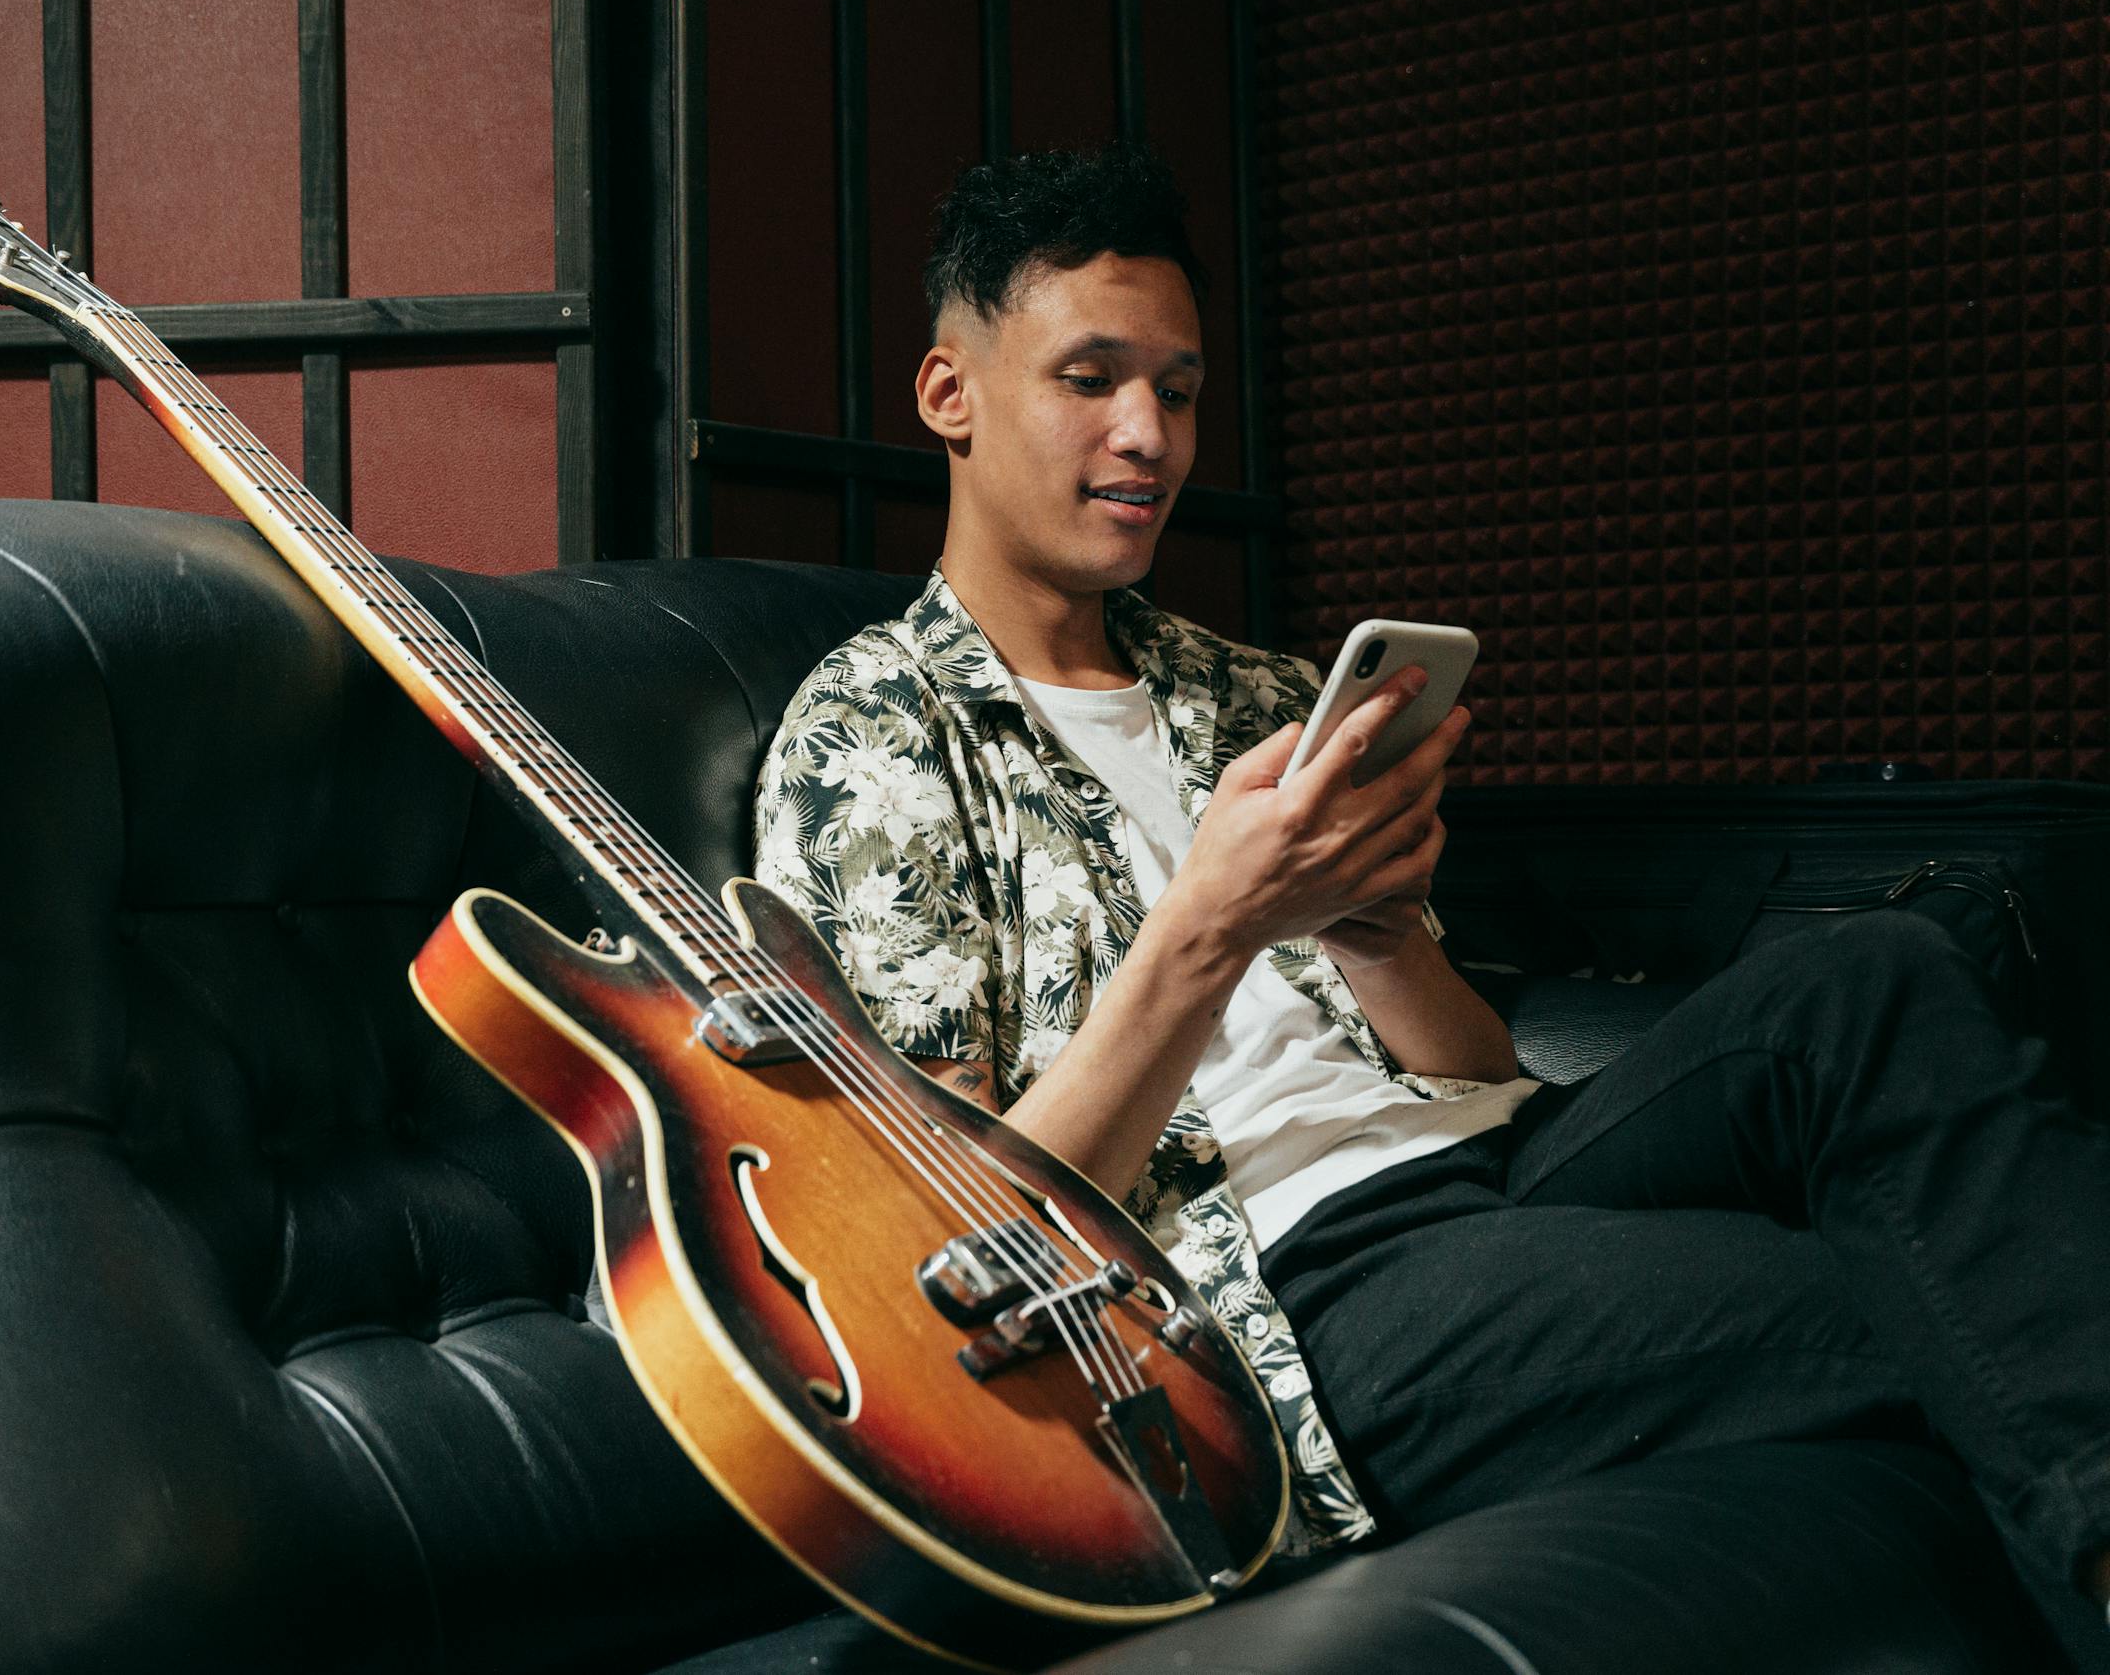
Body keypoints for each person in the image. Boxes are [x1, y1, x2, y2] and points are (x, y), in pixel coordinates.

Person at [751, 144, 2110, 1664]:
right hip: (1293, 1283)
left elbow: (1471, 1071)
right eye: (1092, 378)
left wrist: (1382, 935)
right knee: (1953, 1290)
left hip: (1499, 1161)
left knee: (1881, 975)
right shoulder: (873, 738)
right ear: (950, 395)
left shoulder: (1255, 692)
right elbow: (960, 1238)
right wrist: (1210, 928)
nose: (1150, 437)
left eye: (1180, 391)